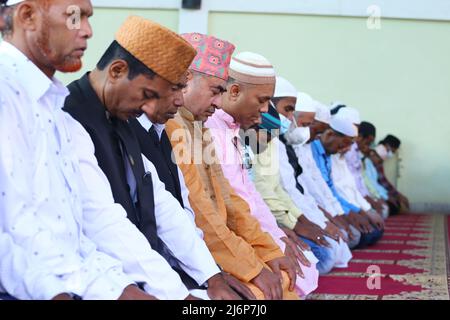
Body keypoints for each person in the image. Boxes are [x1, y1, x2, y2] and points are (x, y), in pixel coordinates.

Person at [0, 0, 167, 300]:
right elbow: (11, 238)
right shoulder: (5, 94)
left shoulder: (55, 109)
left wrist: (122, 289)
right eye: (75, 17)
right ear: (28, 16)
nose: (88, 31)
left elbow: (82, 225)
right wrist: (58, 292)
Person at [63, 16, 239, 300]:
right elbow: (102, 219)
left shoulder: (120, 112)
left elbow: (160, 201)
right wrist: (176, 294)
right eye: (148, 94)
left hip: (137, 272)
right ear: (118, 70)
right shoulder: (69, 114)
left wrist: (210, 275)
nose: (148, 107)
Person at [205, 52, 319, 297]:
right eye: (262, 100)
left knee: (303, 268)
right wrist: (269, 245)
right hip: (230, 239)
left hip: (253, 230)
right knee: (284, 280)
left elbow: (251, 195)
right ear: (234, 91)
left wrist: (276, 235)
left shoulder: (233, 130)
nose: (267, 110)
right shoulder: (209, 129)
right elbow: (230, 207)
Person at [252, 99, 351, 275]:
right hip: (262, 222)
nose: (289, 119)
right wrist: (289, 226)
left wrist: (313, 221)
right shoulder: (255, 137)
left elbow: (289, 189)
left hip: (281, 216)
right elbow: (259, 192)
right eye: (288, 111)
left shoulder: (273, 140)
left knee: (331, 249)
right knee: (320, 258)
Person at [311, 115, 383, 248]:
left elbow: (331, 191)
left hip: (332, 208)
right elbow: (313, 193)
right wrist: (340, 216)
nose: (348, 148)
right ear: (330, 133)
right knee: (350, 238)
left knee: (368, 232)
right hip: (313, 210)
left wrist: (354, 212)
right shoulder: (310, 149)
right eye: (345, 143)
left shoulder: (329, 154)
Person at [375, 135, 410, 214]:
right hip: (371, 194)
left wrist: (394, 195)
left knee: (395, 204)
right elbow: (375, 184)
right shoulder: (374, 157)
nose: (392, 154)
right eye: (393, 151)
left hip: (377, 193)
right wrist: (387, 197)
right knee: (392, 207)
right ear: (387, 145)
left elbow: (381, 181)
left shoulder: (379, 158)